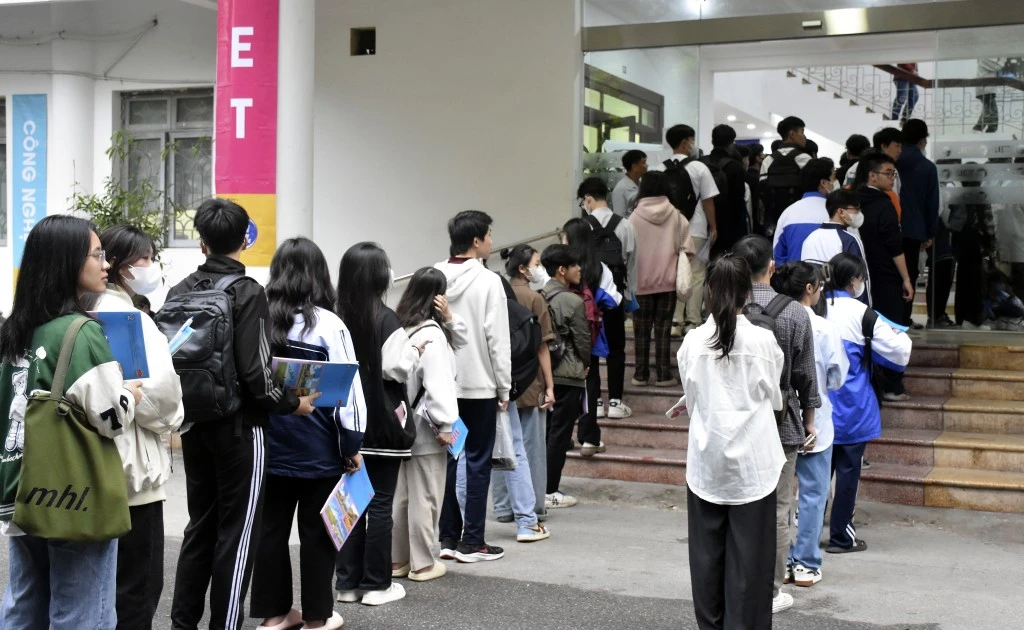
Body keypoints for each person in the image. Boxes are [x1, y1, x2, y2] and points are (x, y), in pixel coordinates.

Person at [169, 199, 317, 630]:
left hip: (194, 424)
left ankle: (183, 624)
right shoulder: (248, 291)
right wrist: (294, 403)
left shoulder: (181, 290)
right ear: (244, 240)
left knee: (200, 527)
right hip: (241, 428)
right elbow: (256, 372)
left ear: (201, 242)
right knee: (238, 533)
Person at [0, 215, 142, 629]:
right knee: (83, 611)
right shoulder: (80, 332)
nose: (105, 264)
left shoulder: (14, 331)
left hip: (20, 490)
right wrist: (130, 395)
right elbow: (111, 419)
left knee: (25, 606)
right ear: (66, 263)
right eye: (97, 254)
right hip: (72, 495)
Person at [250, 238, 364, 630]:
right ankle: (318, 617)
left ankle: (275, 615)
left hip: (266, 446)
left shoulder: (259, 317)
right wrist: (352, 446)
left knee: (269, 534)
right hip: (318, 449)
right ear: (319, 275)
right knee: (318, 535)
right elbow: (350, 394)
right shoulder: (329, 325)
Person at [678, 254, 785, 630]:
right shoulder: (762, 340)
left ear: (709, 291)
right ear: (747, 292)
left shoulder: (692, 342)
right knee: (751, 565)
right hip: (754, 464)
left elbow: (692, 401)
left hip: (707, 462)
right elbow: (774, 397)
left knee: (707, 561)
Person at [93, 225, 185, 630]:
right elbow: (159, 397)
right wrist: (176, 414)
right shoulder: (132, 319)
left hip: (88, 470)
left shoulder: (70, 310)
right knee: (138, 587)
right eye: (143, 258)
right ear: (116, 265)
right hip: (135, 475)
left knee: (94, 588)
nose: (150, 266)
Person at [731, 235, 820, 616]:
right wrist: (810, 418)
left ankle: (736, 583)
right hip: (780, 423)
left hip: (734, 421)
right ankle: (769, 591)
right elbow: (804, 375)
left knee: (736, 505)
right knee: (779, 507)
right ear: (772, 267)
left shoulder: (723, 307)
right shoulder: (796, 314)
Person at [335, 242, 416, 604]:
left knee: (351, 502)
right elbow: (395, 368)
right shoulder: (386, 318)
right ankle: (376, 584)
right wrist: (414, 351)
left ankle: (347, 583)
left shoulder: (334, 316)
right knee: (380, 501)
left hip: (342, 425)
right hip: (381, 425)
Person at [435, 211, 511, 562]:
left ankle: (448, 537)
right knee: (478, 461)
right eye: (490, 235)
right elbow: (497, 338)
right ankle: (474, 540)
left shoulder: (434, 275)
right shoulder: (488, 281)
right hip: (480, 386)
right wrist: (504, 386)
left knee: (447, 460)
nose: (492, 241)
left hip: (443, 385)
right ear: (477, 241)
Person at [823, 253, 911, 554]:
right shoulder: (862, 313)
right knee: (848, 472)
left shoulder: (813, 306)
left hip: (816, 406)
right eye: (861, 278)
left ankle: (805, 536)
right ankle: (841, 537)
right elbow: (900, 350)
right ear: (853, 281)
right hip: (851, 406)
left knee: (814, 475)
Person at [390, 267, 470, 584]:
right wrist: (447, 424)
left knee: (402, 496)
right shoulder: (433, 335)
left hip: (401, 423)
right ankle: (423, 564)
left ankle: (397, 560)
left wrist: (449, 317)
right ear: (439, 297)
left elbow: (461, 339)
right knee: (426, 496)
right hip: (427, 428)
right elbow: (438, 385)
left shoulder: (401, 329)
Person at [771, 262, 848, 588]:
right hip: (817, 418)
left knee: (781, 495)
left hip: (780, 416)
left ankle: (783, 562)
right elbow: (836, 375)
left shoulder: (773, 321)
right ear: (810, 289)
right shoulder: (824, 328)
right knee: (814, 494)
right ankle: (806, 563)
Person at [495, 245, 555, 522]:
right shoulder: (535, 299)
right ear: (523, 268)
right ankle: (533, 507)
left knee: (500, 445)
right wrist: (550, 386)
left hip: (499, 382)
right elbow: (543, 347)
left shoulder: (495, 294)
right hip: (530, 383)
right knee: (531, 448)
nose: (540, 268)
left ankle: (502, 507)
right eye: (537, 263)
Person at [855, 152, 914, 401]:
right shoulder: (883, 204)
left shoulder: (852, 203)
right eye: (888, 173)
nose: (892, 178)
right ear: (872, 175)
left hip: (857, 279)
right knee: (891, 329)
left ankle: (870, 383)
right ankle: (892, 385)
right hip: (885, 276)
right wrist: (907, 278)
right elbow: (894, 246)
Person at [563, 215, 623, 456]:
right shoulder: (599, 267)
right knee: (590, 382)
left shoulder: (561, 267)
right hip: (591, 334)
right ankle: (589, 438)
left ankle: (562, 435)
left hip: (563, 336)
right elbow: (615, 299)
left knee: (563, 386)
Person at [651, 124, 718, 338]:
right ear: (684, 142)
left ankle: (674, 321)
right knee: (697, 274)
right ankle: (692, 321)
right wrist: (713, 226)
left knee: (673, 274)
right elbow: (708, 201)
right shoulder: (699, 168)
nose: (693, 144)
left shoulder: (659, 169)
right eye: (692, 139)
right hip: (696, 228)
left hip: (667, 230)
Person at [577, 177, 636, 422]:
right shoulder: (625, 225)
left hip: (587, 297)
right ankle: (615, 401)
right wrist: (628, 297)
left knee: (590, 349)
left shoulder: (581, 227)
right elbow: (631, 263)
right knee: (616, 348)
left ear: (588, 199)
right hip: (614, 296)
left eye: (583, 201)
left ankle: (596, 402)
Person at [629, 171, 695, 387]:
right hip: (667, 282)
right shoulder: (677, 216)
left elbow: (626, 252)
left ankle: (640, 375)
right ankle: (664, 375)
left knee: (641, 330)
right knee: (664, 329)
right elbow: (689, 251)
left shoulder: (633, 218)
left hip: (640, 283)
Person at [538, 244, 591, 510]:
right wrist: (586, 363)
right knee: (559, 434)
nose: (580, 269)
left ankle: (538, 487)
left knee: (542, 433)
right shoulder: (572, 301)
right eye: (575, 265)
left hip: (540, 375)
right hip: (567, 375)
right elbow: (583, 339)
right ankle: (550, 490)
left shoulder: (538, 296)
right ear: (561, 270)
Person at [897, 119, 940, 327]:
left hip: (888, 227)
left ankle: (888, 317)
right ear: (923, 140)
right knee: (910, 274)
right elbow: (933, 204)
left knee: (889, 274)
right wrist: (930, 233)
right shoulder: (927, 167)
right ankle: (904, 318)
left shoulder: (892, 161)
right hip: (914, 230)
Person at [772, 158, 837, 265]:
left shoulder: (788, 214)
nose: (836, 182)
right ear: (824, 183)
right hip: (830, 279)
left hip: (795, 279)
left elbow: (778, 255)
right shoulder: (837, 213)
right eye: (834, 177)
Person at [800, 189, 868, 284]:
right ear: (841, 212)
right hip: (842, 297)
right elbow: (859, 282)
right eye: (856, 209)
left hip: (815, 297)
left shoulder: (810, 238)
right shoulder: (850, 240)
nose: (859, 213)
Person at [759, 116, 813, 237]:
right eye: (802, 132)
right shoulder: (804, 159)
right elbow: (812, 189)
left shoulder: (768, 160)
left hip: (774, 221)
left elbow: (762, 190)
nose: (804, 136)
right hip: (801, 218)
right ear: (792, 134)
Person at [708, 124, 750, 255]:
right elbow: (738, 200)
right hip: (729, 225)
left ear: (712, 141)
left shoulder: (701, 163)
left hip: (705, 224)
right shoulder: (735, 166)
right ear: (731, 143)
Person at [611, 149, 647, 217]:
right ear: (634, 167)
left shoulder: (642, 184)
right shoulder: (621, 189)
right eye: (644, 163)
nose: (647, 165)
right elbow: (619, 217)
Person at [973, 58, 1002, 133]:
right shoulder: (983, 59)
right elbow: (997, 67)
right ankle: (991, 130)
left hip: (986, 89)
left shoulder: (983, 59)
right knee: (992, 111)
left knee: (987, 110)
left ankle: (978, 128)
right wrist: (1003, 58)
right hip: (985, 90)